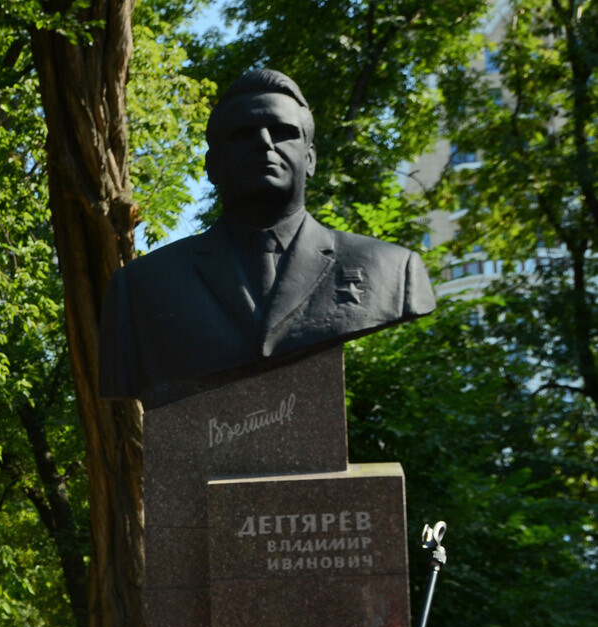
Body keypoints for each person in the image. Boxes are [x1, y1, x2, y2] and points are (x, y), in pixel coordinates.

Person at [99, 68, 436, 408]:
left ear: (310, 159)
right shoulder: (141, 287)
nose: (264, 143)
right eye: (243, 134)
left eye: (283, 132)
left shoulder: (393, 270)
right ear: (212, 166)